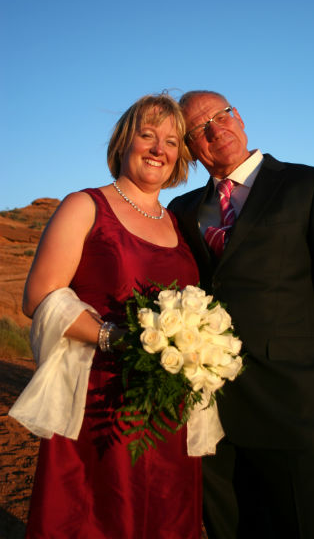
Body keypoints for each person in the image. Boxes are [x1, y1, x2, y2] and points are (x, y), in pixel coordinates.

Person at [168, 90, 314, 539]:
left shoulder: (310, 186)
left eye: (222, 115)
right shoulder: (182, 211)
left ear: (239, 117)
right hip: (214, 417)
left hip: (296, 411)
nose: (215, 130)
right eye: (199, 128)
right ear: (190, 147)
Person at [18, 94, 202, 539]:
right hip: (98, 401)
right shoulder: (84, 206)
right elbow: (39, 296)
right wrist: (114, 338)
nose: (158, 149)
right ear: (123, 142)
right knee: (97, 516)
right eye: (147, 135)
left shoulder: (179, 224)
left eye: (171, 141)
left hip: (169, 409)